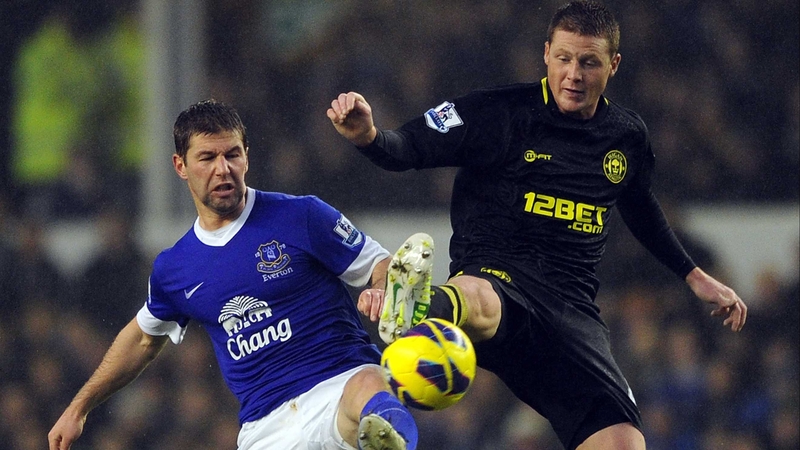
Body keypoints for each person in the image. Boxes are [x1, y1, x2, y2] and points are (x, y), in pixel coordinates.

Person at [327, 2, 747, 449]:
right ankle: (418, 305)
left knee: (623, 440)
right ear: (546, 53)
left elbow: (640, 209)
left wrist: (695, 276)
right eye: (564, 58)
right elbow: (408, 146)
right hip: (497, 277)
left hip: (571, 310)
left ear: (613, 65)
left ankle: (420, 305)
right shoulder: (497, 113)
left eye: (589, 62)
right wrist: (369, 137)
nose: (574, 75)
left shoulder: (626, 137)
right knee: (481, 297)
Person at [48, 99, 418, 450]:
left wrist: (382, 289)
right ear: (180, 166)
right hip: (266, 427)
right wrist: (77, 408)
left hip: (340, 386)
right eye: (207, 157)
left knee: (373, 385)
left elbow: (381, 265)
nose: (222, 169)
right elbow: (143, 339)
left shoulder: (302, 216)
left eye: (232, 155)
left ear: (246, 158)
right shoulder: (174, 268)